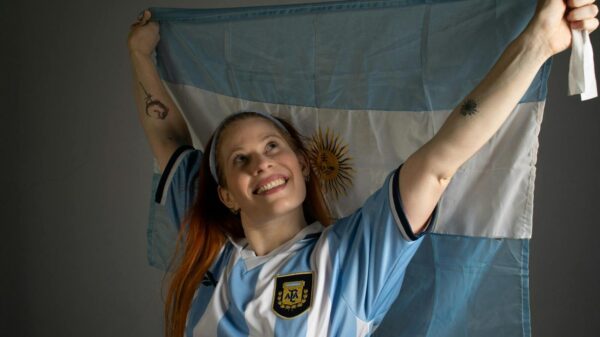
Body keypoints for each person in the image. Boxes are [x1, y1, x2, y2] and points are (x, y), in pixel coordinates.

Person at [128, 1, 598, 337]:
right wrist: (139, 56)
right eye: (240, 160)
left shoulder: (350, 257)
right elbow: (169, 139)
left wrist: (537, 44)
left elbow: (440, 162)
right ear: (227, 193)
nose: (263, 162)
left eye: (273, 145)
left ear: (304, 165)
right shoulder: (212, 252)